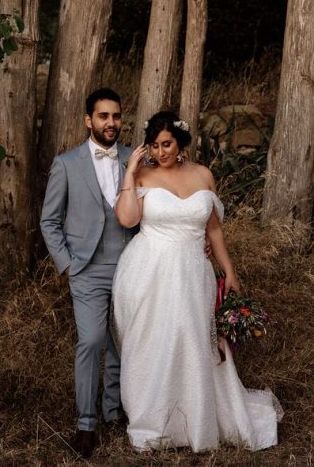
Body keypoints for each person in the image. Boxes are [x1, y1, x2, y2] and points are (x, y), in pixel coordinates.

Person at [111, 110, 282, 452]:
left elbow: (214, 229)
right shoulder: (142, 175)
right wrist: (131, 171)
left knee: (192, 338)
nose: (161, 152)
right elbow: (128, 218)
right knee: (154, 341)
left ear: (180, 142)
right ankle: (154, 420)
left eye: (167, 144)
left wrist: (229, 271)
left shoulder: (203, 174)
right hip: (151, 270)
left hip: (193, 270)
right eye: (155, 146)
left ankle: (195, 418)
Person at [39, 88, 137, 459]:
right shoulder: (67, 164)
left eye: (115, 116)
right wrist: (66, 265)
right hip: (86, 269)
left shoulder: (134, 159)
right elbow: (49, 221)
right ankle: (86, 423)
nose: (111, 123)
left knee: (122, 342)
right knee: (93, 341)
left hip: (131, 265)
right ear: (88, 120)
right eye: (103, 116)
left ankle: (114, 411)